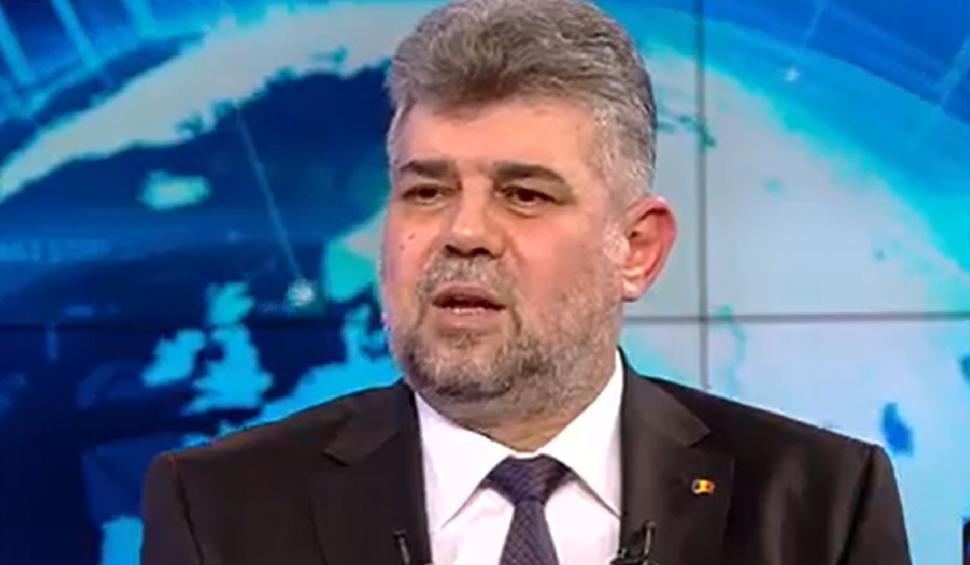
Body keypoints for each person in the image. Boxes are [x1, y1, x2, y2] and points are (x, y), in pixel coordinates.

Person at [140, 1, 912, 563]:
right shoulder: (220, 508)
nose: (463, 232)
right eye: (426, 190)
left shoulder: (819, 504)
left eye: (525, 194)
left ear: (637, 249)